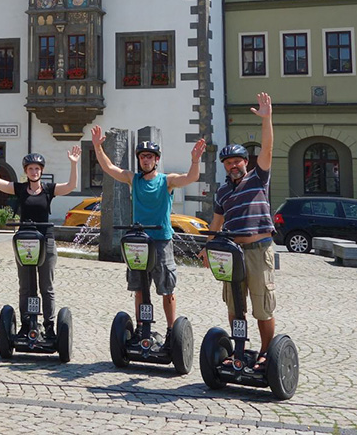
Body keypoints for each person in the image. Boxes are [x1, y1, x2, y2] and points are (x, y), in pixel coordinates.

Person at [91, 125, 205, 339]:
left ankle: (172, 331)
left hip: (161, 241)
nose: (146, 160)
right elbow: (109, 168)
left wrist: (195, 160)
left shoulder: (166, 181)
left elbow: (190, 178)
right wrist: (98, 147)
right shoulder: (132, 179)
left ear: (156, 160)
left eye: (150, 157)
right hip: (139, 242)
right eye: (143, 156)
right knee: (139, 287)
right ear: (139, 159)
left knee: (167, 289)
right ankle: (142, 327)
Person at [204, 91, 276, 370]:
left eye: (237, 161)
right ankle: (239, 350)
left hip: (259, 250)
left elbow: (268, 149)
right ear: (224, 166)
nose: (233, 166)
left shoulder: (259, 177)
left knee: (262, 305)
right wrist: (208, 248)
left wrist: (266, 119)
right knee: (235, 307)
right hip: (232, 252)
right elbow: (216, 224)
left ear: (246, 162)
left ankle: (267, 353)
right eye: (228, 163)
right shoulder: (222, 191)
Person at [0, 141, 79, 340]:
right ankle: (26, 323)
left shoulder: (49, 189)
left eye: (37, 168)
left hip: (46, 241)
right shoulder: (19, 189)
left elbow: (71, 186)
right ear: (26, 171)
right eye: (30, 169)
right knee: (26, 287)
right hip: (25, 242)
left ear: (41, 171)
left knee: (46, 287)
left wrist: (74, 164)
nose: (34, 171)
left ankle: (49, 325)